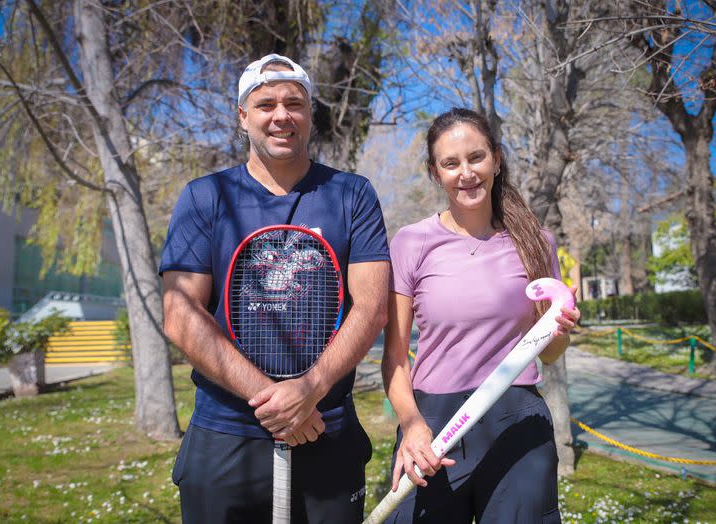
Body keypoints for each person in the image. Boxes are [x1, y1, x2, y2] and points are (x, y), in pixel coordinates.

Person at [160, 53, 390, 523]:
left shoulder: (353, 194)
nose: (281, 115)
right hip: (227, 433)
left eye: (295, 103)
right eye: (265, 104)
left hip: (325, 427)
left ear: (310, 115)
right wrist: (275, 400)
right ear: (243, 116)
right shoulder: (204, 197)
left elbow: (371, 308)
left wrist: (311, 388)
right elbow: (181, 315)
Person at [382, 107, 580, 523]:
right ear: (435, 173)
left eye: (476, 157)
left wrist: (558, 329)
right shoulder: (411, 243)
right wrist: (411, 423)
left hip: (516, 419)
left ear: (496, 158)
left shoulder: (535, 242)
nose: (466, 173)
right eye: (450, 164)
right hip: (434, 421)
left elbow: (549, 353)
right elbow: (396, 356)